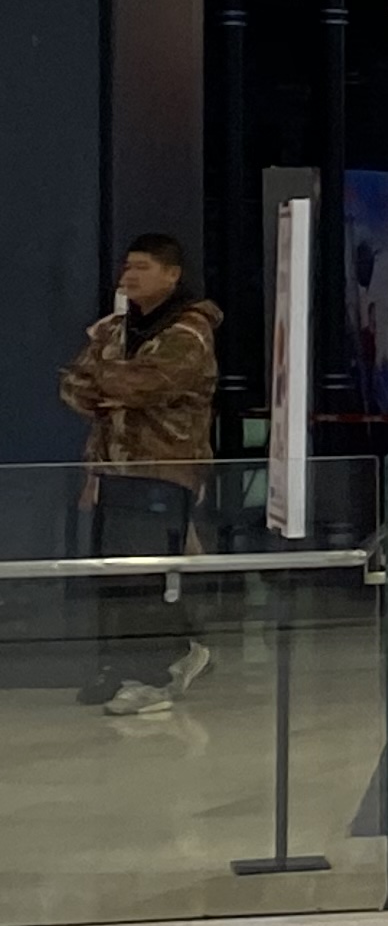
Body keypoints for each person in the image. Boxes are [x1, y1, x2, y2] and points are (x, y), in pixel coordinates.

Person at [58, 234, 221, 719]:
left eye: (143, 267)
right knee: (113, 576)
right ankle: (121, 663)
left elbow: (148, 383)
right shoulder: (116, 328)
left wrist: (109, 383)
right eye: (127, 267)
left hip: (163, 470)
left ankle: (155, 675)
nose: (129, 276)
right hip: (113, 469)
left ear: (172, 275)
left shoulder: (189, 332)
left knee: (147, 575)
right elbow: (73, 385)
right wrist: (110, 387)